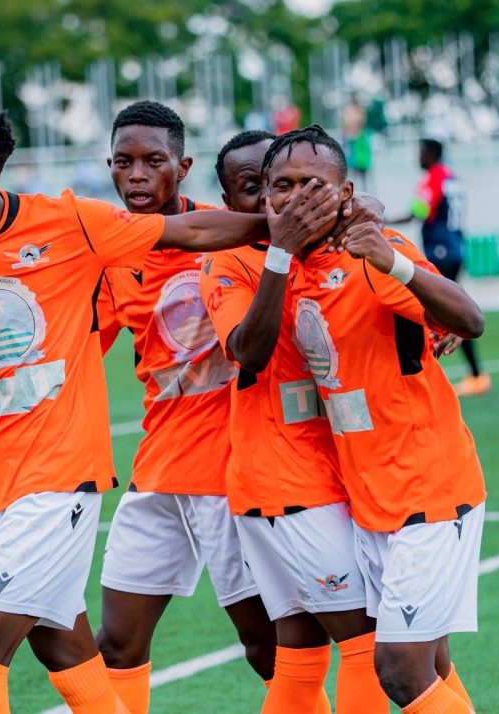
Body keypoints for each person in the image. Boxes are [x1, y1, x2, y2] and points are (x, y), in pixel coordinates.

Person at [0, 95, 334, 714]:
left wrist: (301, 227)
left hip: (93, 481)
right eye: (122, 162)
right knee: (81, 649)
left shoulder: (84, 226)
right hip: (59, 479)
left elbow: (213, 243)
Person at [91, 102, 337, 714]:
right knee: (116, 645)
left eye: (154, 161)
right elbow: (75, 348)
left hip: (231, 470)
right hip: (157, 468)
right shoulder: (109, 255)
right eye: (124, 163)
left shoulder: (236, 227)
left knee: (265, 647)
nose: (139, 175)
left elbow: (318, 234)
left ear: (184, 166)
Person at [265, 125, 487, 714]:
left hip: (429, 492)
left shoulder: (370, 252)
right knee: (432, 665)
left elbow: (469, 318)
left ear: (345, 191)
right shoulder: (287, 270)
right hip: (372, 500)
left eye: (312, 184)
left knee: (398, 667)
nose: (295, 198)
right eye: (280, 186)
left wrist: (395, 262)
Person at [200, 129, 393, 714]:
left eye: (307, 185)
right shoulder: (230, 263)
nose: (289, 199)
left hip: (325, 475)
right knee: (370, 645)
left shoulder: (335, 250)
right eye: (264, 187)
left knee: (301, 652)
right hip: (285, 483)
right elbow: (249, 352)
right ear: (243, 199)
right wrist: (280, 253)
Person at [389, 138, 489, 397]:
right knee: (446, 309)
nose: (418, 158)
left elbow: (417, 212)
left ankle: (473, 375)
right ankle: (475, 373)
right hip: (455, 246)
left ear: (431, 153)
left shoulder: (433, 178)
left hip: (440, 249)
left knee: (438, 309)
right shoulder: (452, 178)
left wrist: (381, 219)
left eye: (420, 153)